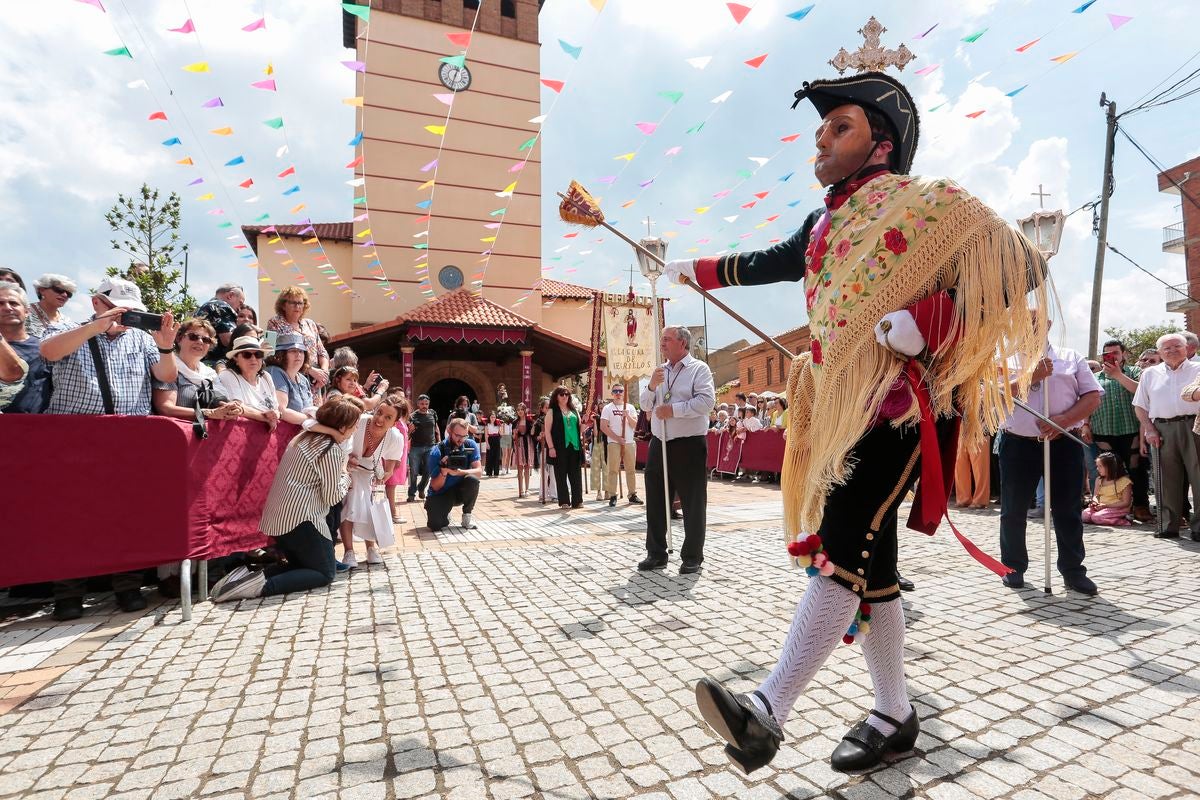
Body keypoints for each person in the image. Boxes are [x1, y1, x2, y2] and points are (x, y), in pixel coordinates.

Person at [675, 57, 1053, 776]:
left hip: (905, 403)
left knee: (844, 538)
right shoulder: (824, 222)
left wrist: (933, 317)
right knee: (872, 569)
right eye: (820, 129)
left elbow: (1025, 266)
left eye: (837, 127)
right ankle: (895, 714)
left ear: (881, 142)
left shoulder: (931, 203)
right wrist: (687, 271)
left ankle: (766, 711)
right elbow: (769, 261)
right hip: (846, 409)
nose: (820, 141)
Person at [39, 277, 180, 618]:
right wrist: (95, 329)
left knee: (125, 518)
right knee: (73, 520)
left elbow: (167, 376)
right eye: (120, 310)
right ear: (97, 303)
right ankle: (69, 594)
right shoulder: (72, 331)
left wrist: (165, 345)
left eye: (132, 312)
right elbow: (48, 351)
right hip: (75, 439)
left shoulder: (141, 340)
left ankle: (127, 587)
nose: (125, 318)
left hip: (128, 440)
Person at [211, 396, 362, 603]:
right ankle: (259, 586)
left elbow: (310, 422)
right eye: (353, 426)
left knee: (304, 566)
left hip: (279, 520)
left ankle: (246, 576)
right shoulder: (330, 449)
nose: (354, 431)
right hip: (301, 520)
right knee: (325, 573)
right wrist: (345, 477)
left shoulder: (304, 436)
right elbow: (331, 496)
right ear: (342, 426)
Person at [999, 314, 1102, 594]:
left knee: (1067, 508)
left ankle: (1073, 571)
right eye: (1023, 322)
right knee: (1013, 508)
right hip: (1018, 442)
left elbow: (1092, 396)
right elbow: (993, 399)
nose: (1029, 327)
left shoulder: (1071, 357)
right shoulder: (1003, 361)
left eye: (1036, 322)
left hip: (1063, 441)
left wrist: (1065, 419)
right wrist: (1030, 377)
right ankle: (1013, 566)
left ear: (1047, 325)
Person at [639, 326, 715, 573]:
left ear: (682, 343)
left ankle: (692, 556)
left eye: (667, 339)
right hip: (659, 441)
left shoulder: (698, 369)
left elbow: (706, 402)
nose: (662, 343)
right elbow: (644, 404)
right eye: (661, 339)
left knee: (692, 501)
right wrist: (651, 385)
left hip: (688, 443)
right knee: (656, 499)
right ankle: (656, 553)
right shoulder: (659, 372)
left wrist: (674, 410)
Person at [1139, 333, 1200, 539]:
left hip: (1195, 426)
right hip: (1162, 428)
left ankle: (1199, 528)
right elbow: (1140, 406)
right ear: (1160, 352)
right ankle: (1168, 525)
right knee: (1165, 478)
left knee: (1198, 477)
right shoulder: (1150, 374)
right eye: (1167, 348)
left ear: (1187, 348)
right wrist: (1149, 429)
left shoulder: (1198, 369)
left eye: (1177, 346)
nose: (1172, 350)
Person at [1084, 339, 1151, 522]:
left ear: (1124, 355)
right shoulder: (1095, 377)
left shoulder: (1136, 372)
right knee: (1111, 471)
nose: (1112, 356)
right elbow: (1088, 400)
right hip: (1103, 430)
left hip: (1131, 429)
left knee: (1136, 469)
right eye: (1108, 353)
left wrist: (1119, 375)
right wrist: (1085, 424)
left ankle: (1140, 505)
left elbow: (1142, 392)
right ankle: (1112, 506)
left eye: (1116, 353)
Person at [339, 398, 405, 568]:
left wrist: (383, 477)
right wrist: (346, 461)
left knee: (371, 507)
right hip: (347, 471)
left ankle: (371, 549)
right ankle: (349, 551)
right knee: (350, 503)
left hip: (370, 475)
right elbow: (339, 446)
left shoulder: (395, 437)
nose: (380, 419)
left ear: (394, 423)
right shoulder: (358, 423)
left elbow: (391, 467)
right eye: (379, 412)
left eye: (388, 417)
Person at [152, 318, 243, 424]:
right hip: (177, 435)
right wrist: (208, 413)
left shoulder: (211, 374)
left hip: (209, 436)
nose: (200, 342)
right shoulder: (168, 367)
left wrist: (232, 409)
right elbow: (165, 409)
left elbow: (221, 406)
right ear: (179, 339)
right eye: (193, 337)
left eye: (206, 340)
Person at [0, 284, 53, 414]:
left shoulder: (47, 347)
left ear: (27, 311)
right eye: (0, 303)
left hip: (35, 430)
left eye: (13, 303)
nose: (7, 308)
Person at [424, 417, 482, 531]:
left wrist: (460, 472)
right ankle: (444, 513)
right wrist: (444, 471)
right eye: (458, 436)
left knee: (472, 480)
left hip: (460, 491)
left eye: (464, 436)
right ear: (449, 432)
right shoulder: (437, 451)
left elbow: (479, 472)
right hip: (441, 492)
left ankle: (467, 516)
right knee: (435, 525)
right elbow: (435, 486)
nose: (461, 440)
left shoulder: (470, 445)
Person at [268, 286, 330, 390]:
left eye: (300, 303)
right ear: (283, 305)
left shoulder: (310, 324)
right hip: (290, 378)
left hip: (316, 381)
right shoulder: (274, 322)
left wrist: (324, 373)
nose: (297, 306)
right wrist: (310, 370)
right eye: (293, 303)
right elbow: (269, 353)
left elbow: (322, 352)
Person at [218, 335, 281, 431]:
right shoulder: (228, 375)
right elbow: (237, 407)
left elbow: (276, 408)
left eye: (258, 354)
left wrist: (277, 414)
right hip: (242, 434)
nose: (253, 359)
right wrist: (265, 418)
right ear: (235, 358)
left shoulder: (266, 377)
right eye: (247, 355)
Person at [601, 383, 642, 507]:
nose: (618, 393)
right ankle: (613, 495)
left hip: (629, 442)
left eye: (620, 391)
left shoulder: (630, 407)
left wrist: (627, 415)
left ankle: (632, 495)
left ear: (624, 393)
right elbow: (603, 426)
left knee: (631, 469)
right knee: (612, 470)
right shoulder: (608, 408)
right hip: (614, 443)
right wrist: (618, 438)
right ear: (612, 393)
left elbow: (635, 425)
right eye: (615, 391)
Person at [545, 386, 584, 509]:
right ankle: (564, 501)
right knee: (561, 475)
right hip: (559, 446)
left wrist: (584, 425)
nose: (565, 396)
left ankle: (577, 501)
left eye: (567, 394)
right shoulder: (552, 411)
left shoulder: (574, 411)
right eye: (562, 394)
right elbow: (547, 431)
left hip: (575, 446)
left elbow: (580, 429)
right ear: (556, 396)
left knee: (576, 474)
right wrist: (551, 447)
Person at [264, 332, 315, 425]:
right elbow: (281, 411)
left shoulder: (304, 379)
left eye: (301, 351)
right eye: (293, 351)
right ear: (281, 354)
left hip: (304, 432)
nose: (298, 354)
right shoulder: (274, 372)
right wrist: (311, 419)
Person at [193, 283, 244, 364]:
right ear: (230, 295)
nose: (240, 309)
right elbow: (228, 340)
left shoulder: (204, 307)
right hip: (214, 363)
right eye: (240, 303)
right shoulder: (222, 306)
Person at [1082, 452, 1132, 526]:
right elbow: (1096, 495)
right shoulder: (1098, 480)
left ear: (1110, 467)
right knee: (1084, 515)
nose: (1097, 469)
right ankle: (1104, 518)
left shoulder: (1125, 482)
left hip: (1118, 508)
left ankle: (1123, 521)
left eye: (1100, 466)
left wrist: (1106, 505)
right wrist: (1094, 502)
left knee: (1096, 517)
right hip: (1102, 507)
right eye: (1097, 466)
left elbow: (1126, 503)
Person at [407, 393, 440, 502]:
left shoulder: (433, 413)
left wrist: (439, 441)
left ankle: (421, 488)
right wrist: (409, 432)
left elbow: (436, 428)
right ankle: (411, 494)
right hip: (416, 447)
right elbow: (408, 433)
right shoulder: (412, 416)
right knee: (414, 472)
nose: (424, 405)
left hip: (430, 446)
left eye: (426, 403)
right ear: (418, 404)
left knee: (428, 471)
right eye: (422, 404)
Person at [384, 395, 411, 523]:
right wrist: (397, 459)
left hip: (400, 455)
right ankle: (392, 513)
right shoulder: (394, 421)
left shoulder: (400, 420)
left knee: (392, 485)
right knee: (391, 485)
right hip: (394, 456)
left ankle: (391, 512)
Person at [953, 428, 990, 509]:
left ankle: (980, 500)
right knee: (960, 467)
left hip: (979, 430)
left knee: (980, 468)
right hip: (961, 431)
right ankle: (963, 499)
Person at [533, 396, 558, 503]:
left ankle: (554, 494)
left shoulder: (555, 418)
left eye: (549, 407)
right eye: (546, 407)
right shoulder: (539, 421)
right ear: (542, 409)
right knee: (544, 473)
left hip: (553, 447)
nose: (548, 409)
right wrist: (539, 436)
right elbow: (534, 434)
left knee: (553, 472)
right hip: (543, 448)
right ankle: (542, 494)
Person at [512, 402, 536, 498]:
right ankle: (520, 489)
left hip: (527, 444)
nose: (520, 411)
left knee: (527, 467)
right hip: (519, 445)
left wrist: (534, 427)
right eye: (518, 410)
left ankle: (527, 489)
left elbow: (532, 434)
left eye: (522, 409)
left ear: (525, 410)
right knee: (520, 468)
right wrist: (515, 433)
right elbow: (513, 437)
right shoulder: (515, 422)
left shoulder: (530, 421)